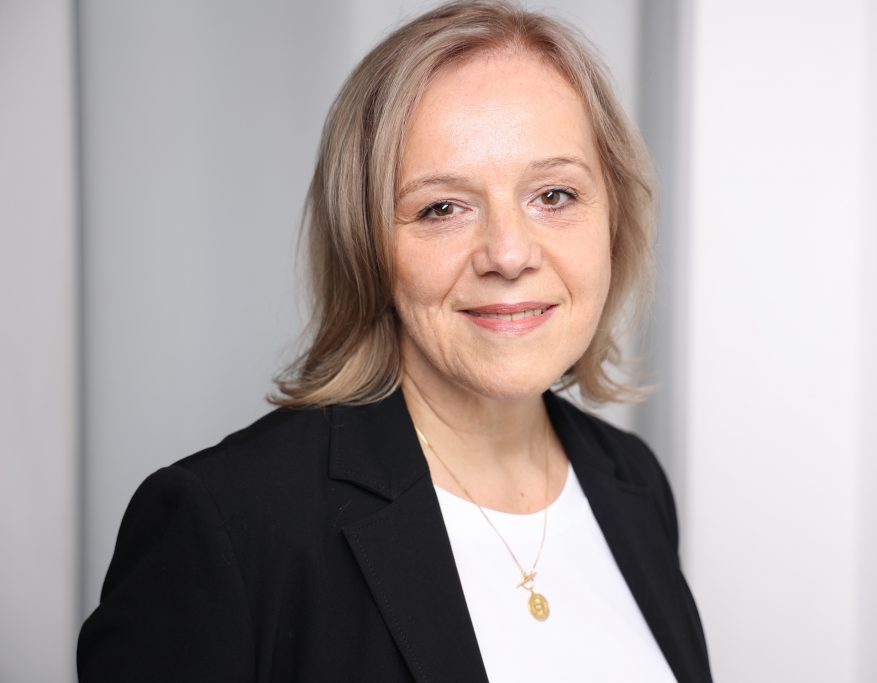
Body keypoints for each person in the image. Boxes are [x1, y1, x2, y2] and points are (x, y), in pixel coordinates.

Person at [77, 1, 712, 681]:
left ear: (613, 220)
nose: (508, 253)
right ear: (368, 247)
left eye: (554, 195)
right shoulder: (227, 523)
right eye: (442, 207)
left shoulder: (633, 480)